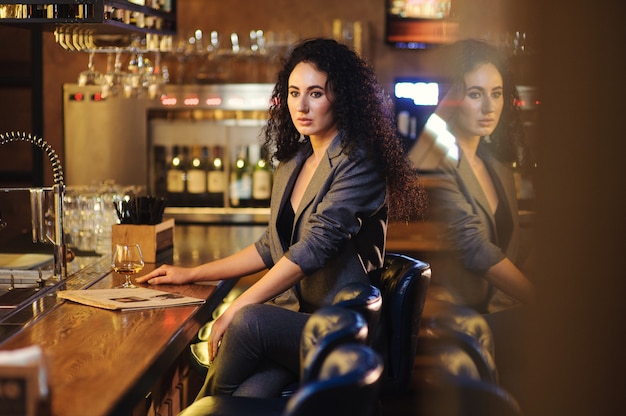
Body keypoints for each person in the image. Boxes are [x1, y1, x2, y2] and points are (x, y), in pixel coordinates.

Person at [138, 38, 425, 398]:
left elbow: (316, 248)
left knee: (249, 320)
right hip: (295, 327)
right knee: (247, 397)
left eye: (316, 93)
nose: (301, 106)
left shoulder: (359, 161)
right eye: (293, 92)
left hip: (339, 332)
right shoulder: (294, 162)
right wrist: (193, 273)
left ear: (343, 98)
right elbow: (269, 247)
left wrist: (239, 306)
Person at [408, 38, 535, 314]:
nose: (489, 107)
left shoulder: (497, 165)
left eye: (497, 93)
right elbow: (474, 248)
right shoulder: (436, 162)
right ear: (450, 98)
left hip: (499, 312)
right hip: (451, 324)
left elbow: (509, 244)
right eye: (475, 94)